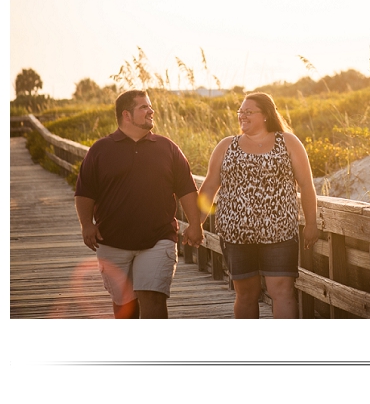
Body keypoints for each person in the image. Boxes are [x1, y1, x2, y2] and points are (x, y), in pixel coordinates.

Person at [186, 92, 319, 319]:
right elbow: (209, 187)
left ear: (266, 114)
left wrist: (311, 223)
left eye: (249, 111)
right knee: (246, 294)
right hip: (236, 235)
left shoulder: (287, 142)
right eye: (241, 112)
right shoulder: (227, 146)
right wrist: (196, 223)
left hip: (279, 233)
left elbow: (306, 185)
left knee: (282, 291)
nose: (242, 116)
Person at [74, 89, 203, 319]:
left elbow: (187, 188)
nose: (151, 110)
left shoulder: (168, 148)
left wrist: (195, 224)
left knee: (154, 300)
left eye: (150, 106)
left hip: (158, 239)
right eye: (144, 107)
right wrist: (86, 224)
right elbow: (85, 192)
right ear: (126, 115)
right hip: (111, 240)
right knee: (126, 308)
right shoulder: (100, 150)